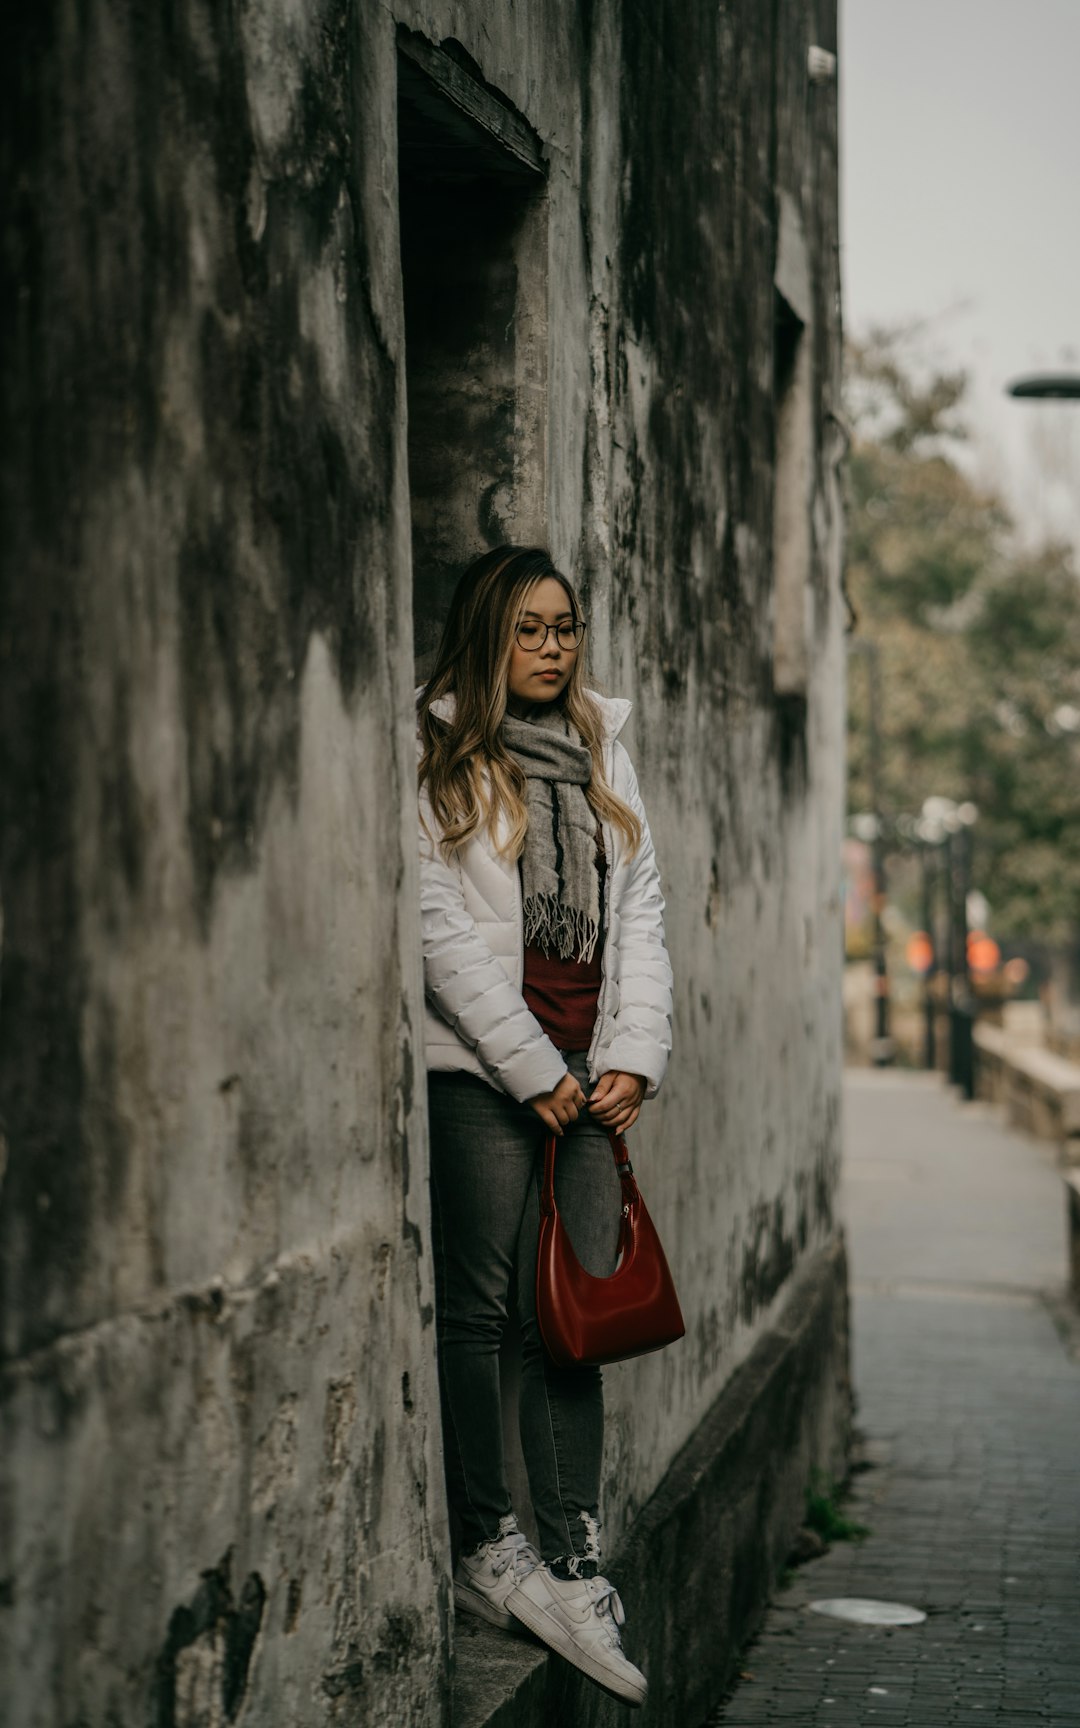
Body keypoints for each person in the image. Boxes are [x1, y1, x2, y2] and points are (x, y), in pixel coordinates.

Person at [417, 545, 673, 1708]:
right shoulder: (440, 755)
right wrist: (530, 1070)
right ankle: (491, 1543)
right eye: (528, 629)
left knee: (581, 1320)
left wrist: (628, 1058)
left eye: (564, 627)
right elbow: (440, 935)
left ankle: (575, 1557)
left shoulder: (601, 750)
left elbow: (643, 914)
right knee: (481, 1312)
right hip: (484, 1072)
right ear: (487, 636)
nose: (554, 647)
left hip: (589, 1073)